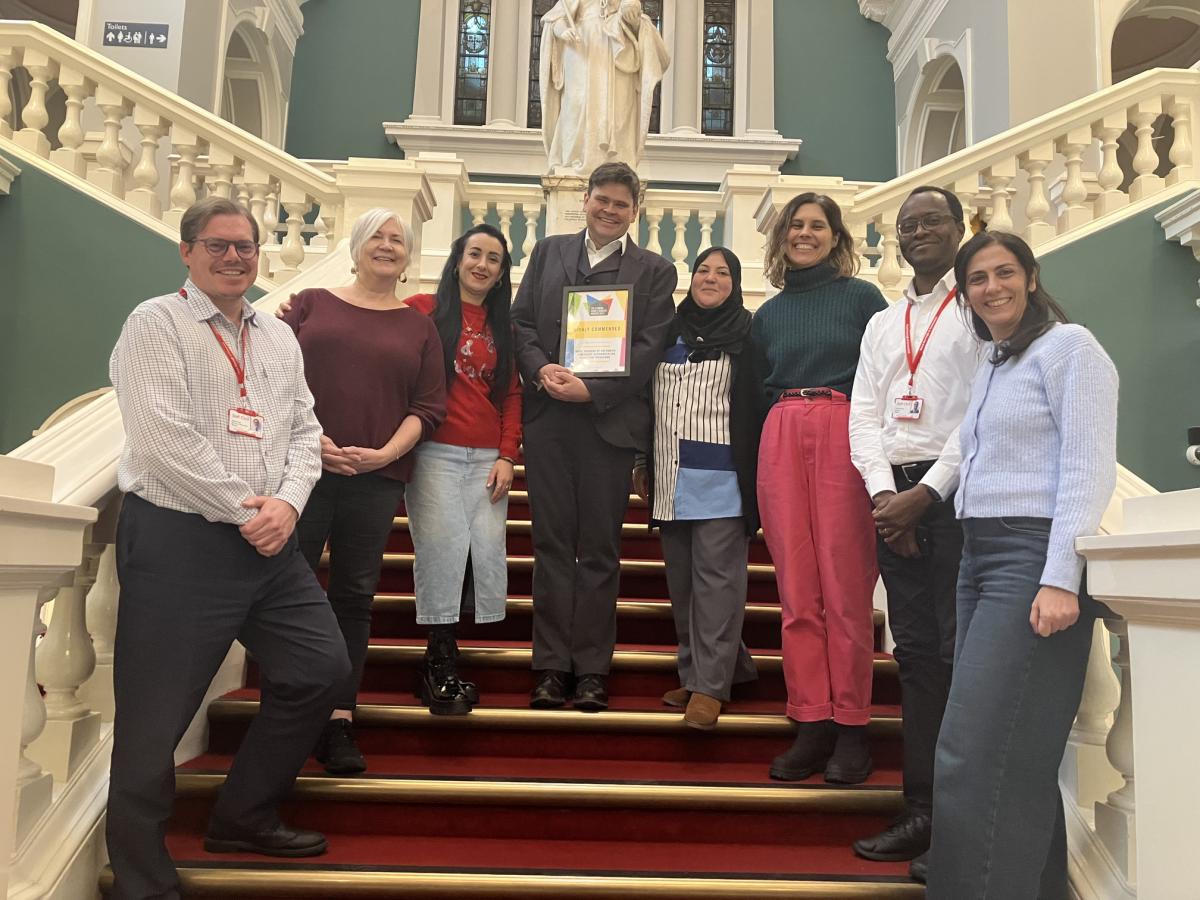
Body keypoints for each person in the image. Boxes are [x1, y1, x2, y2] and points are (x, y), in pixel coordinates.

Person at [107, 197, 351, 899]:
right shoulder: (155, 324)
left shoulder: (277, 337)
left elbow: (305, 430)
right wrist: (249, 509)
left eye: (245, 246)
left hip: (269, 543)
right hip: (180, 541)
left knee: (321, 669)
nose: (234, 257)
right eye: (217, 245)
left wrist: (288, 504)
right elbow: (164, 439)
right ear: (187, 252)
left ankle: (243, 814)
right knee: (153, 721)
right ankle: (141, 880)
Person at [927, 231, 1117, 899]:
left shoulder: (1071, 348)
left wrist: (1061, 576)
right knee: (1013, 753)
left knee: (973, 756)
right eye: (976, 279)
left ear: (1031, 278)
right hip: (978, 556)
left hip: (1030, 557)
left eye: (1004, 272)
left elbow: (1088, 468)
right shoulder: (997, 362)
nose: (991, 288)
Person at [281, 208, 446, 774]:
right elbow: (274, 380)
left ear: (407, 257)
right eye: (377, 235)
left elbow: (427, 408)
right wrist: (313, 440)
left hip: (377, 480)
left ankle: (338, 718)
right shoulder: (309, 304)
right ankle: (289, 710)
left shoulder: (419, 328)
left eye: (398, 239)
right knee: (287, 591)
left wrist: (384, 455)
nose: (387, 245)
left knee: (353, 597)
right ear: (355, 245)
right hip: (301, 471)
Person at [848, 187, 982, 867]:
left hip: (956, 498)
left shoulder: (978, 308)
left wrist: (926, 496)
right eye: (908, 225)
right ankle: (922, 811)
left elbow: (981, 412)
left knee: (961, 658)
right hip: (892, 496)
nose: (918, 232)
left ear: (960, 228)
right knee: (917, 658)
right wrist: (885, 498)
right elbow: (862, 415)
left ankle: (963, 823)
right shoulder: (883, 321)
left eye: (932, 221)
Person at [512, 160, 678, 711]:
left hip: (608, 426)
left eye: (621, 204)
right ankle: (550, 667)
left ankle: (591, 671)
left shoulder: (655, 271)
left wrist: (594, 390)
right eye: (601, 199)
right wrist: (540, 370)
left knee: (601, 550)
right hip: (548, 423)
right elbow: (521, 323)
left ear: (635, 211)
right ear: (585, 200)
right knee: (552, 545)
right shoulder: (548, 252)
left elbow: (650, 346)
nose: (609, 210)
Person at [752, 192, 887, 785]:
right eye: (796, 225)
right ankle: (811, 721)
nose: (805, 233)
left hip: (844, 425)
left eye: (817, 225)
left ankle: (852, 727)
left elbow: (886, 378)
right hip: (780, 428)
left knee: (846, 586)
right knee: (797, 591)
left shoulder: (863, 299)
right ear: (782, 236)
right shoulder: (767, 314)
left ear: (836, 237)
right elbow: (754, 390)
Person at [632, 247, 761, 730]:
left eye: (723, 272)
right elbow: (646, 399)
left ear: (735, 283)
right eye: (703, 270)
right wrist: (642, 460)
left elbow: (756, 406)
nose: (711, 278)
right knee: (683, 584)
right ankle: (705, 671)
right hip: (669, 472)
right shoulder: (667, 330)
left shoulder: (748, 335)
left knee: (717, 585)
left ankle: (710, 687)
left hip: (722, 476)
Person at [404, 224, 521, 714]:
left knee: (482, 553)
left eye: (493, 259)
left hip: (486, 457)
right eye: (475, 254)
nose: (482, 264)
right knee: (442, 550)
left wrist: (508, 456)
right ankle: (439, 663)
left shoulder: (504, 326)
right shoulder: (420, 311)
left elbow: (511, 393)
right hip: (434, 451)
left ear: (501, 274)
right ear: (457, 260)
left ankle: (444, 657)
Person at [539, 0, 670, 173]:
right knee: (577, 103)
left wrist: (633, 20)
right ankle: (573, 158)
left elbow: (636, 21)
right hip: (581, 48)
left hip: (617, 47)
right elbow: (554, 19)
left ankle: (616, 162)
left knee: (619, 107)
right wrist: (562, 30)